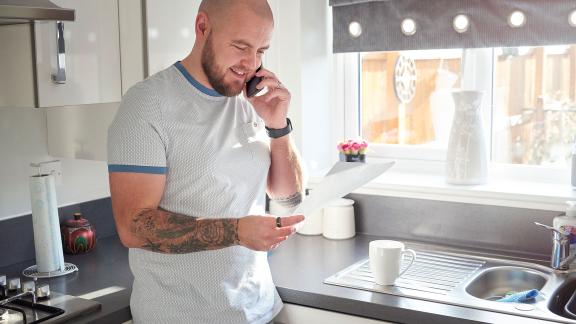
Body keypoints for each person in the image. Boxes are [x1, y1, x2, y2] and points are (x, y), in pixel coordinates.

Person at [107, 0, 305, 323]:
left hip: (262, 310)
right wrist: (237, 231)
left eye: (261, 51)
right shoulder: (147, 106)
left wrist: (278, 127)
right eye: (241, 47)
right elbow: (133, 226)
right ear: (202, 27)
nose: (251, 63)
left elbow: (288, 200)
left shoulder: (250, 102)